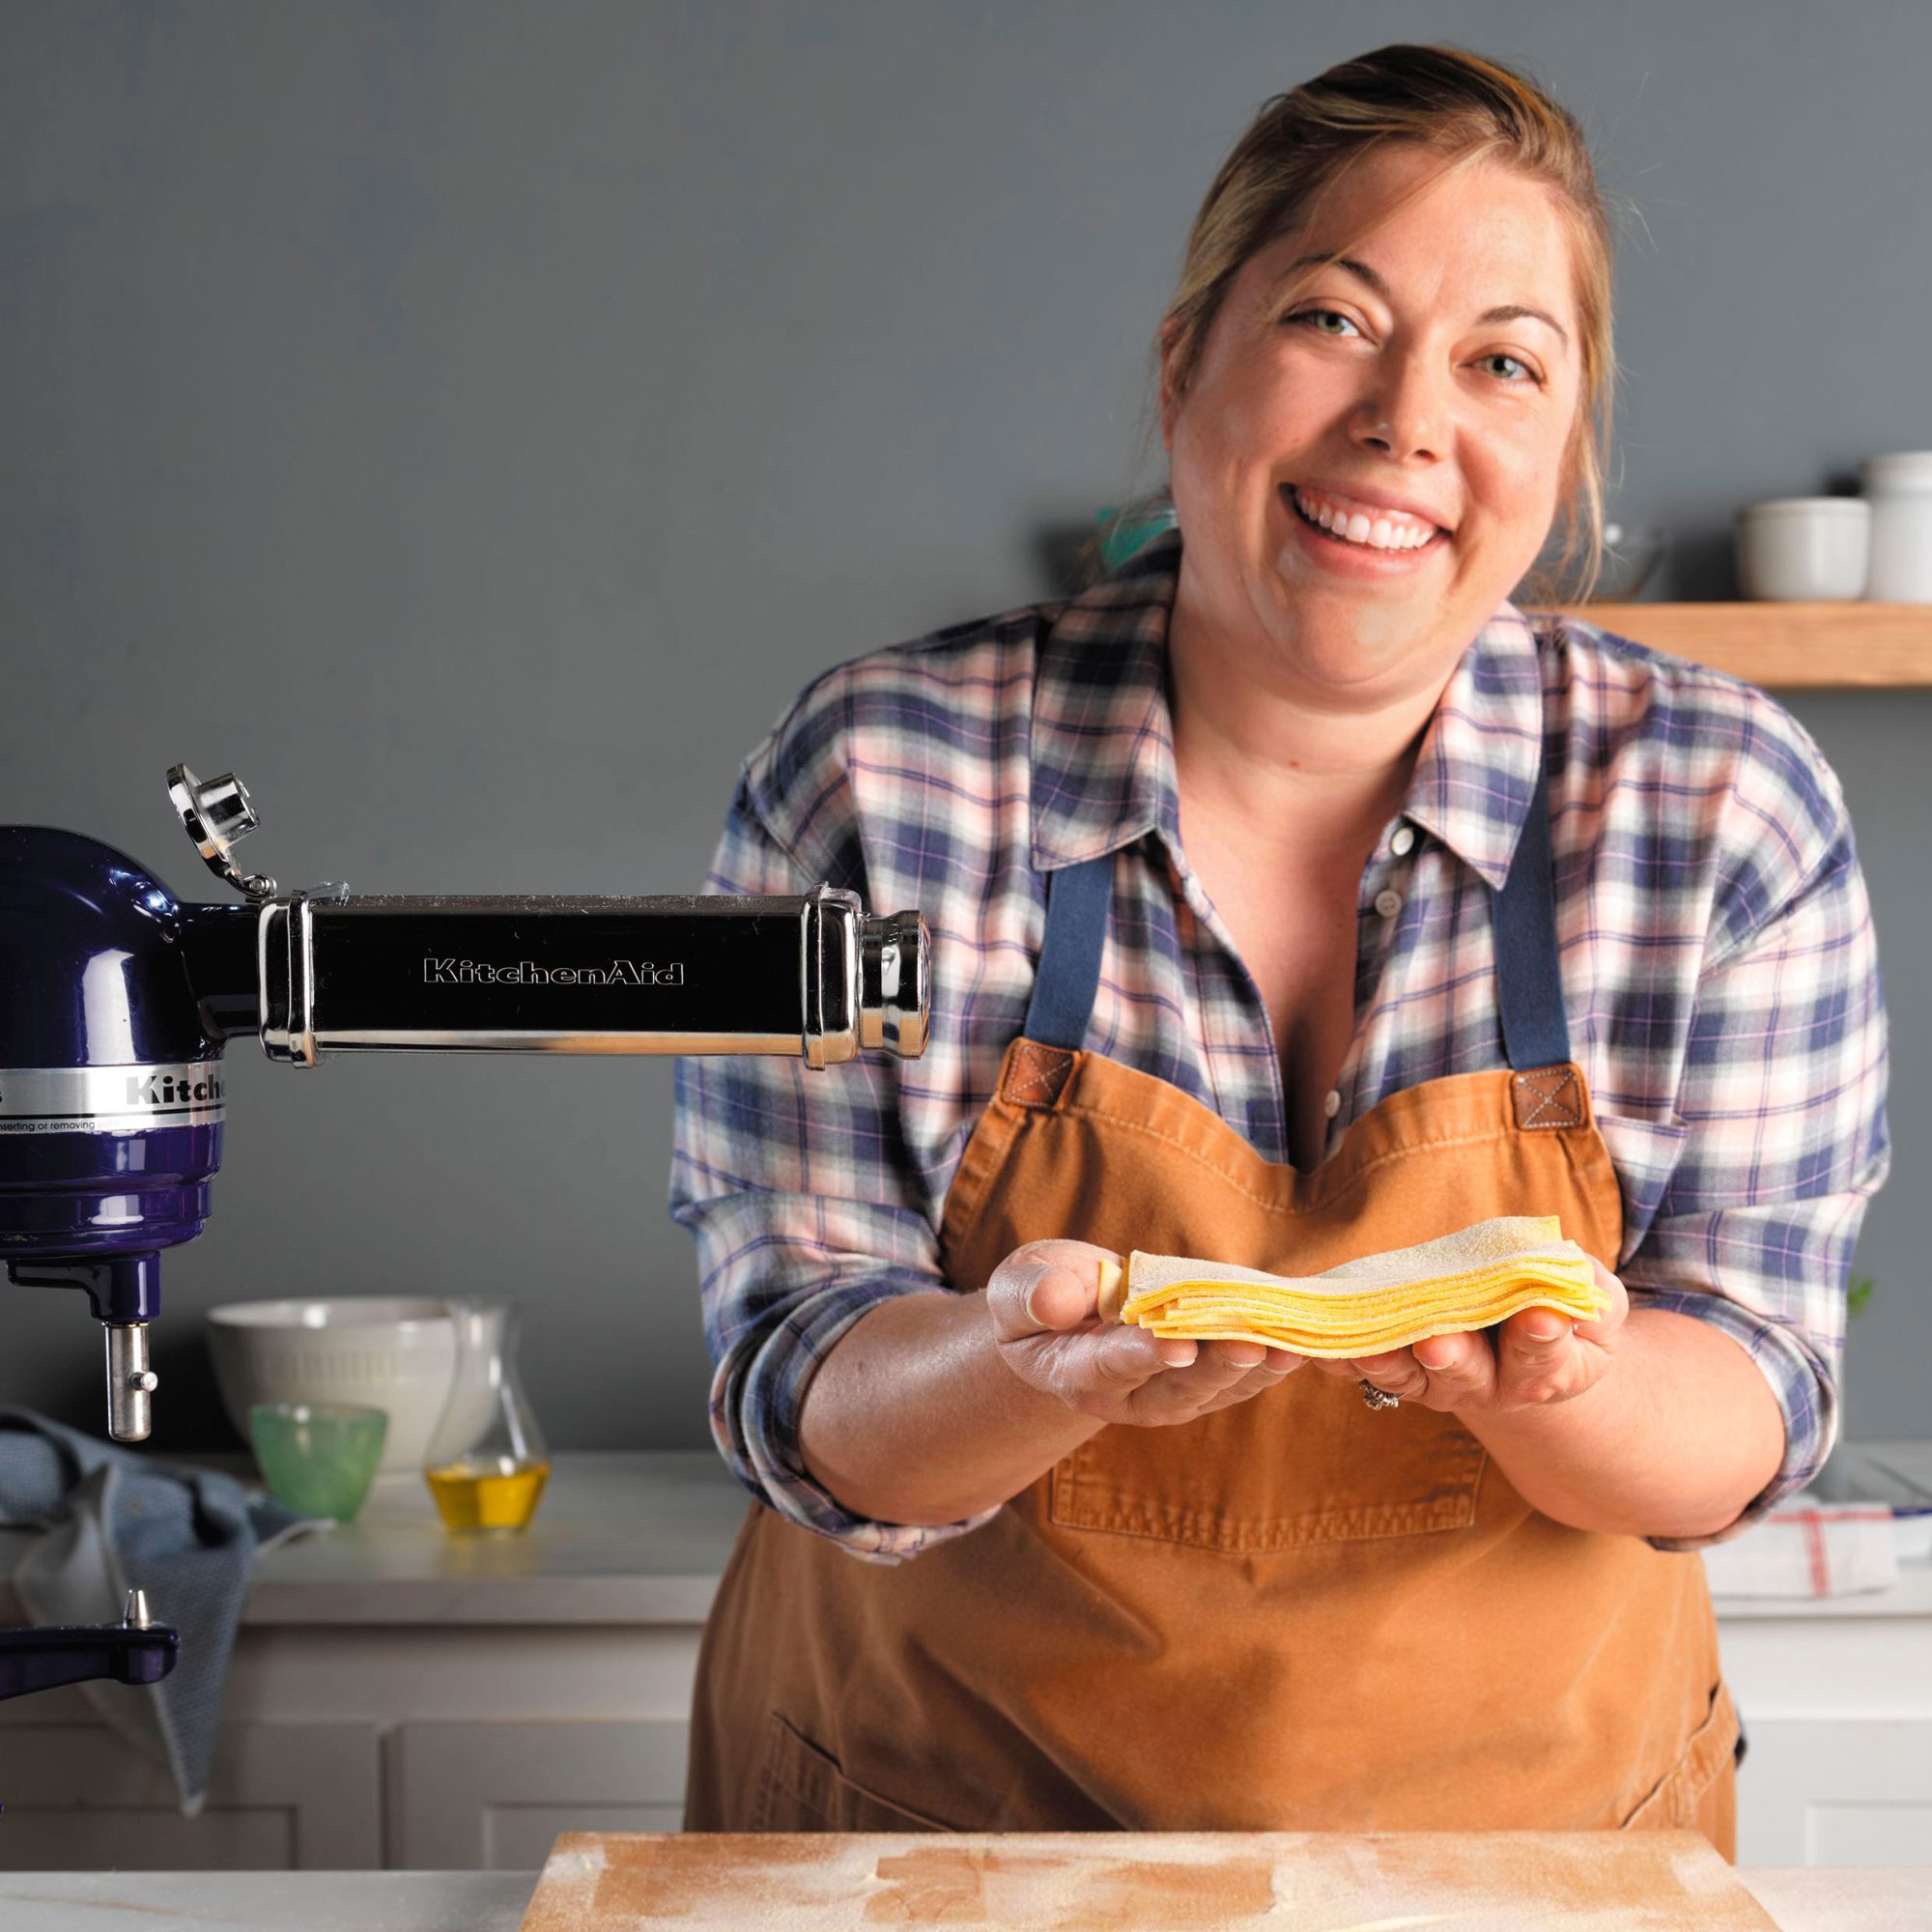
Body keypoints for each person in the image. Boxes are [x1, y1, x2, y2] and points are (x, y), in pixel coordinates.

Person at [668, 43, 1889, 1855]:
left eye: (1502, 363)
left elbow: (1757, 1378)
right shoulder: (879, 770)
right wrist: (1019, 1372)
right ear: (1186, 368)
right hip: (930, 1837)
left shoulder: (1720, 808)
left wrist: (1570, 1381)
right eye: (1334, 317)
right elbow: (799, 1361)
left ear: (1559, 460)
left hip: (1531, 1853)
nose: (1408, 421)